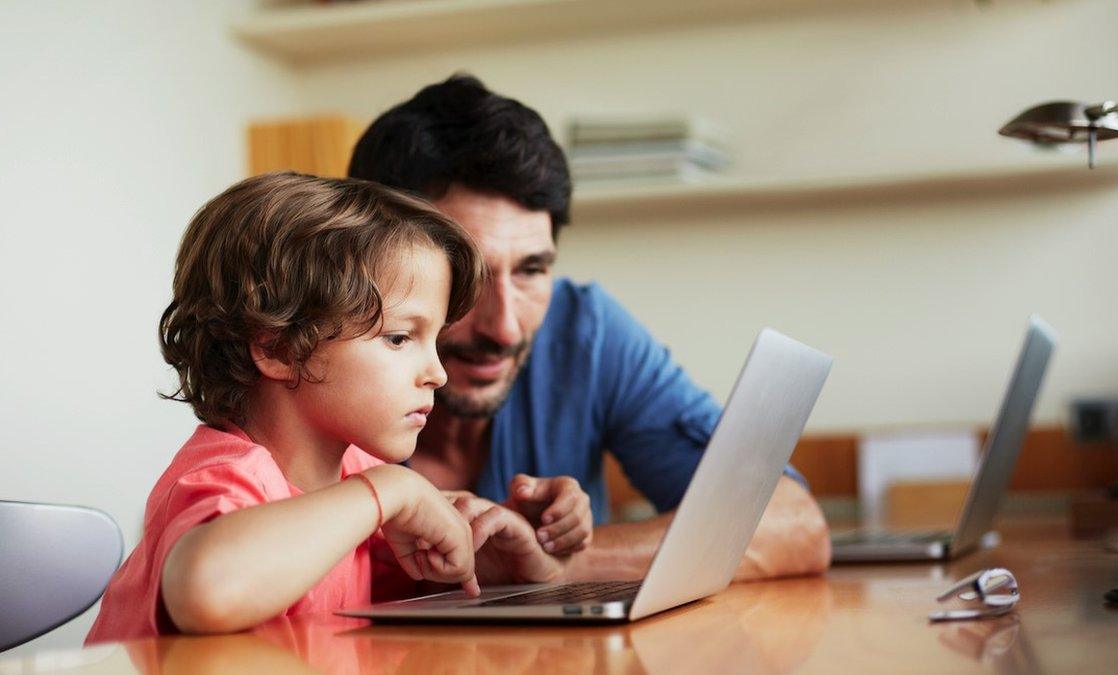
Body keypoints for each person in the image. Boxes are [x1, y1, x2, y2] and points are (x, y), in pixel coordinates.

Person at [348, 75, 831, 581]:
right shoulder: (316, 361)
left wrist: (547, 563)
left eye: (532, 270)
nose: (507, 328)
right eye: (466, 275)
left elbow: (793, 524)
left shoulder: (585, 333)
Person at [86, 173, 592, 643]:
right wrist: (389, 491)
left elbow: (408, 582)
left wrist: (486, 555)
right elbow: (207, 591)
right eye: (399, 338)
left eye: (434, 340)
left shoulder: (354, 476)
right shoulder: (229, 476)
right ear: (280, 349)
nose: (437, 373)